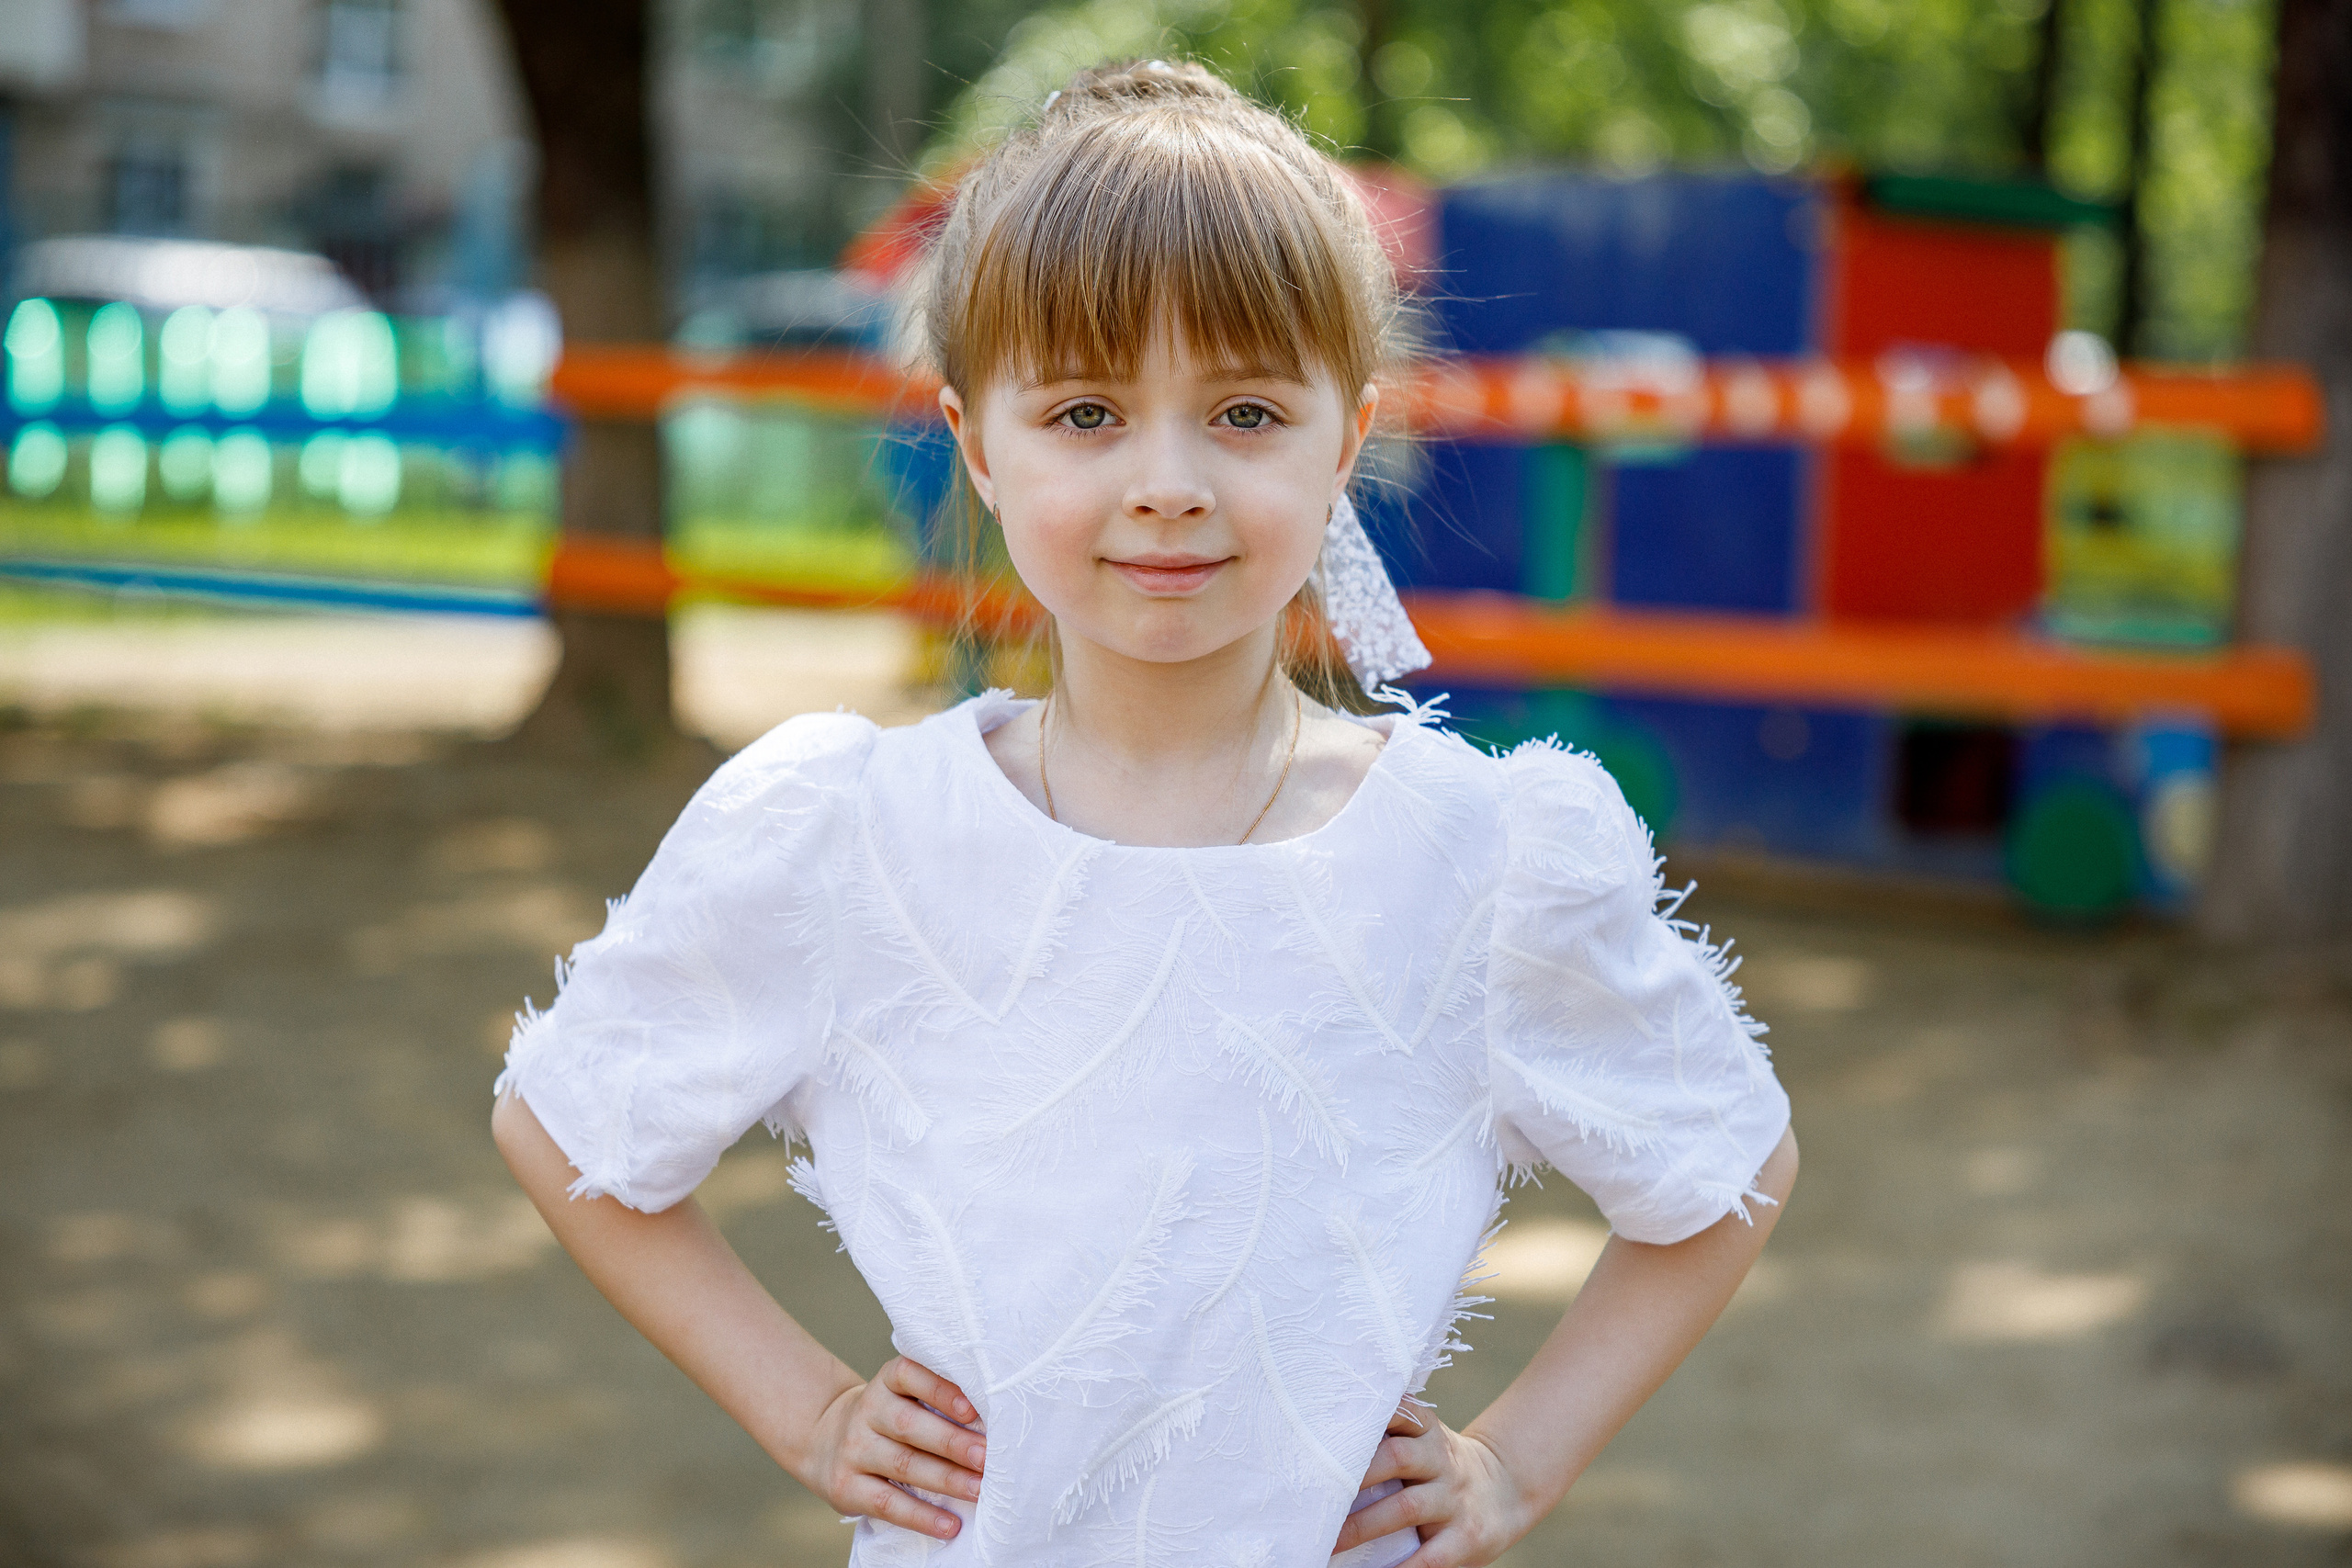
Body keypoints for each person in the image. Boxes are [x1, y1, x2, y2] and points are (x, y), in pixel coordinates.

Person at [491, 58, 1796, 1568]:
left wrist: (1516, 1462)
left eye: (1244, 411)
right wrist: (809, 1412)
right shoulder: (852, 832)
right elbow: (565, 1113)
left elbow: (1729, 1165)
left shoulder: (1476, 854)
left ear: (1345, 443)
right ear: (977, 442)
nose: (1167, 483)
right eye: (1087, 411)